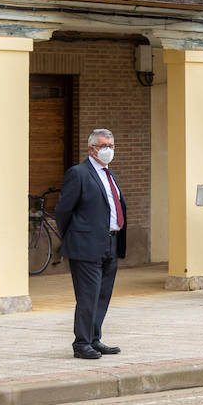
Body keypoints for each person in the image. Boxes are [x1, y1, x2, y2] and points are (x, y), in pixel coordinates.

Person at [55, 128, 127, 359]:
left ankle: (95, 339)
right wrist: (74, 236)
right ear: (91, 148)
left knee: (103, 295)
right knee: (88, 295)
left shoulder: (110, 174)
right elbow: (63, 210)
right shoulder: (78, 173)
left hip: (111, 243)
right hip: (85, 246)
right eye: (102, 146)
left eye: (111, 146)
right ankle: (82, 343)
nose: (107, 150)